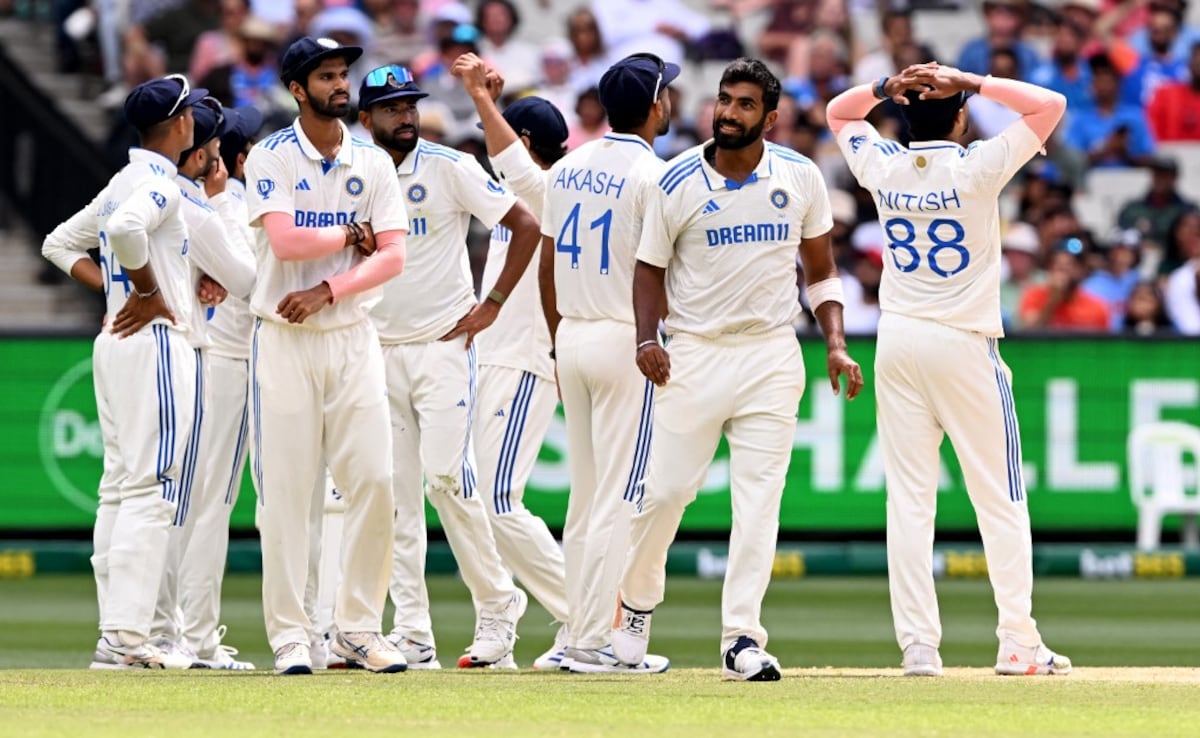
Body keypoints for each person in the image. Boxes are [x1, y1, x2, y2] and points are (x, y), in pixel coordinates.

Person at [610, 58, 862, 682]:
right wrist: (647, 337)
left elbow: (823, 272)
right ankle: (636, 605)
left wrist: (834, 342)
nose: (728, 112)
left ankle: (741, 638)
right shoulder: (672, 182)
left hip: (773, 354)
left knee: (759, 504)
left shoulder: (801, 177)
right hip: (693, 354)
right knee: (666, 494)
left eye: (745, 104)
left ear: (769, 118)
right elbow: (649, 268)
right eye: (724, 100)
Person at [824, 61, 1073, 676]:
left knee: (910, 501)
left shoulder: (883, 165)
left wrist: (887, 88)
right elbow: (1050, 106)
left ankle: (918, 647)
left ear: (906, 118)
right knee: (1001, 496)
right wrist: (973, 80)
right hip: (962, 340)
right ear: (960, 117)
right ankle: (1017, 641)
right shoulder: (977, 165)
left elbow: (839, 112)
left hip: (898, 337)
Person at [354, 63, 540, 669]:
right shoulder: (355, 173)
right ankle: (412, 630)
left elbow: (525, 224)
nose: (404, 117)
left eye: (410, 106)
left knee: (449, 482)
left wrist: (492, 306)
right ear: (366, 119)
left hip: (443, 345)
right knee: (395, 495)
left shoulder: (449, 166)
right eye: (391, 109)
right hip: (377, 349)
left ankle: (497, 610)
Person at [243, 36, 409, 676]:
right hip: (283, 339)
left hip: (350, 335)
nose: (341, 85)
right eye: (327, 76)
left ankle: (358, 628)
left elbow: (393, 254)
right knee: (286, 494)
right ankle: (291, 635)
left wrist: (331, 289)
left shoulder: (373, 162)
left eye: (343, 74)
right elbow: (284, 242)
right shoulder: (271, 156)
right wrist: (347, 234)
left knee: (375, 479)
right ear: (297, 89)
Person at [41, 74, 208, 669]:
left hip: (117, 340)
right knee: (150, 487)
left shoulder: (122, 181)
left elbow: (59, 244)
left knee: (118, 488)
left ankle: (117, 632)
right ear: (183, 123)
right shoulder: (158, 184)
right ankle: (127, 639)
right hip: (155, 342)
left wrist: (121, 294)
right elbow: (123, 231)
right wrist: (148, 292)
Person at [537, 52, 677, 674]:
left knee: (585, 497)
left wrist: (556, 342)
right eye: (665, 93)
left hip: (572, 332)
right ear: (653, 106)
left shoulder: (567, 167)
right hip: (627, 339)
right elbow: (664, 272)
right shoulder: (657, 175)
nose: (670, 103)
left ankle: (574, 633)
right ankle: (592, 642)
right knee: (620, 495)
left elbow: (546, 265)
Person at [453, 52, 573, 670]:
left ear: (526, 145)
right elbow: (504, 168)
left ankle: (587, 616)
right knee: (467, 497)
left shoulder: (554, 192)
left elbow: (512, 166)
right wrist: (492, 103)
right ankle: (497, 624)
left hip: (526, 361)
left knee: (499, 500)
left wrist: (480, 100)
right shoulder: (516, 192)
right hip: (488, 361)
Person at [151, 100, 261, 669]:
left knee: (180, 498)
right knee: (206, 503)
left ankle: (163, 631)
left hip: (198, 357)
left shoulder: (171, 193)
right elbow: (254, 280)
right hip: (224, 361)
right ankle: (188, 636)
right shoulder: (224, 200)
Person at [1019, 240, 1112, 331]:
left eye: (1069, 265)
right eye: (1057, 265)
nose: (1062, 272)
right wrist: (1052, 301)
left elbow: (1101, 344)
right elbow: (1029, 334)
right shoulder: (1034, 295)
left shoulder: (1096, 307)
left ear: (1081, 270)